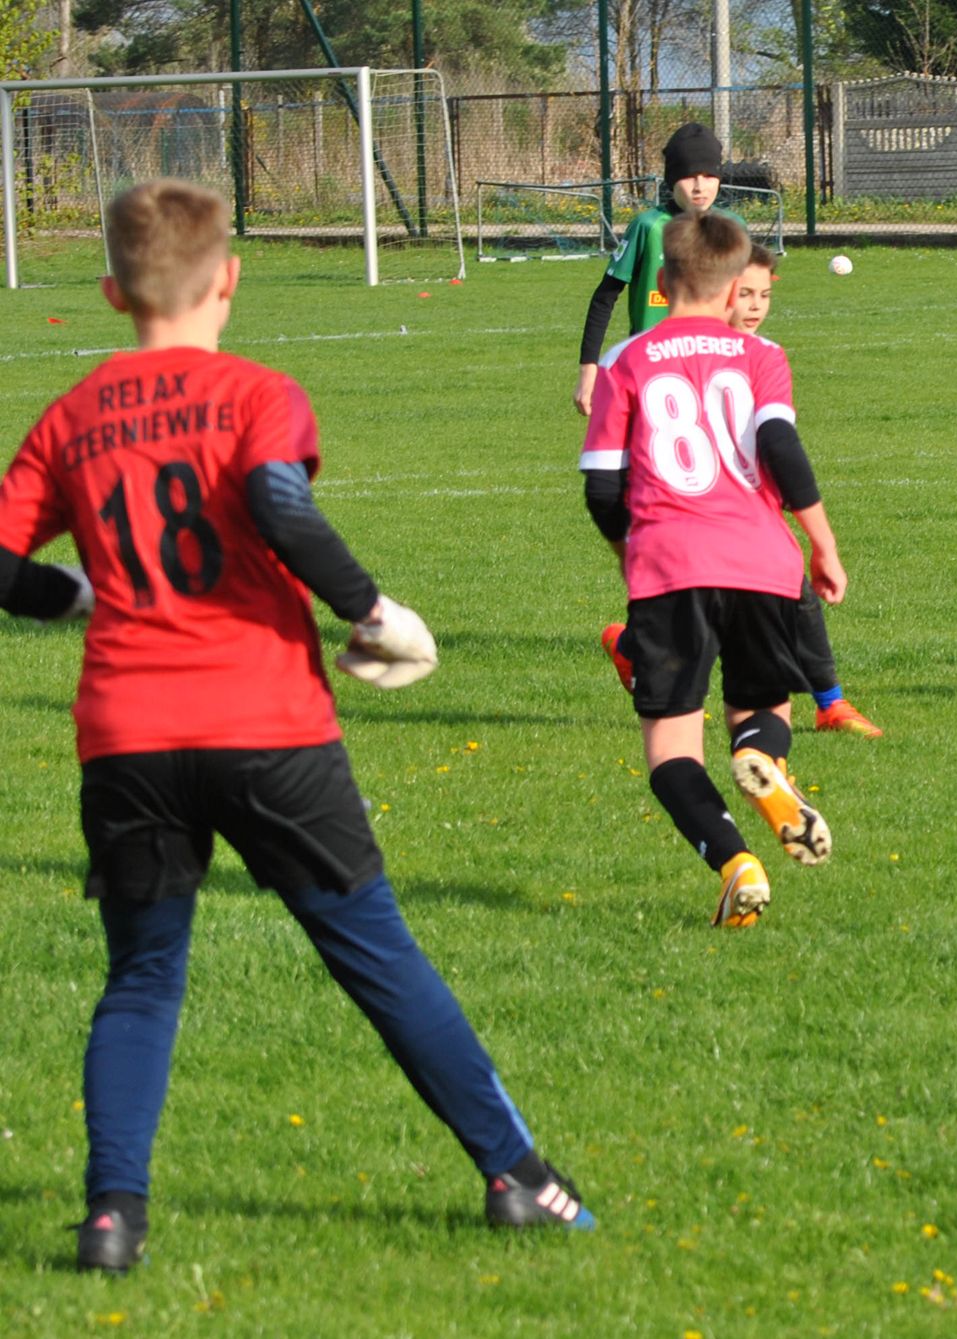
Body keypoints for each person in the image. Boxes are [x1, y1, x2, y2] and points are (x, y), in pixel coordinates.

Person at [0, 180, 594, 1273]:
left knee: (140, 977)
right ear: (229, 277)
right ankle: (518, 1176)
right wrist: (373, 611)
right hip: (262, 717)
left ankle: (110, 1217)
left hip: (127, 735)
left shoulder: (72, 415)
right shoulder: (255, 393)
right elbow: (278, 505)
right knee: (375, 952)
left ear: (109, 291)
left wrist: (70, 598)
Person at [580, 213, 846, 928]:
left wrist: (632, 555)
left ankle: (737, 862)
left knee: (672, 750)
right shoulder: (761, 355)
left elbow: (602, 489)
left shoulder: (626, 361)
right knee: (761, 711)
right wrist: (821, 542)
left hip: (670, 565)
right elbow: (781, 449)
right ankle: (770, 774)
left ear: (663, 285)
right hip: (762, 561)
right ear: (736, 292)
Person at [600, 242, 883, 738]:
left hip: (748, 517)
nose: (753, 305)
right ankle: (632, 649)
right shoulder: (671, 353)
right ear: (718, 291)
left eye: (763, 295)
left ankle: (830, 702)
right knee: (688, 620)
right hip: (682, 516)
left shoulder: (756, 357)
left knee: (794, 595)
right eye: (743, 293)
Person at [571, 122, 745, 418]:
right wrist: (589, 370)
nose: (700, 187)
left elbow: (743, 301)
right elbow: (605, 298)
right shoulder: (648, 227)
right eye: (689, 177)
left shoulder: (733, 227)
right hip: (651, 369)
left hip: (715, 370)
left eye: (708, 175)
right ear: (671, 179)